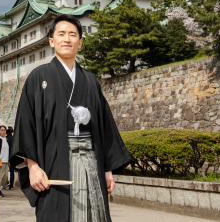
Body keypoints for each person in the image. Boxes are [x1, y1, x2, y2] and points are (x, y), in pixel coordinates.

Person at [10, 14, 132, 222]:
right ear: (51, 41)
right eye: (61, 34)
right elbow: (26, 125)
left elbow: (104, 127)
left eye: (73, 35)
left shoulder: (91, 80)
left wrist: (107, 168)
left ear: (80, 43)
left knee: (94, 214)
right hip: (53, 162)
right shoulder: (38, 77)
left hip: (92, 163)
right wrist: (32, 166)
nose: (67, 39)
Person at [0, 125, 12, 197]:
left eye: (4, 130)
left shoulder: (7, 140)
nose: (3, 131)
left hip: (6, 161)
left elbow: (9, 151)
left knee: (5, 176)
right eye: (2, 130)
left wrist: (9, 161)